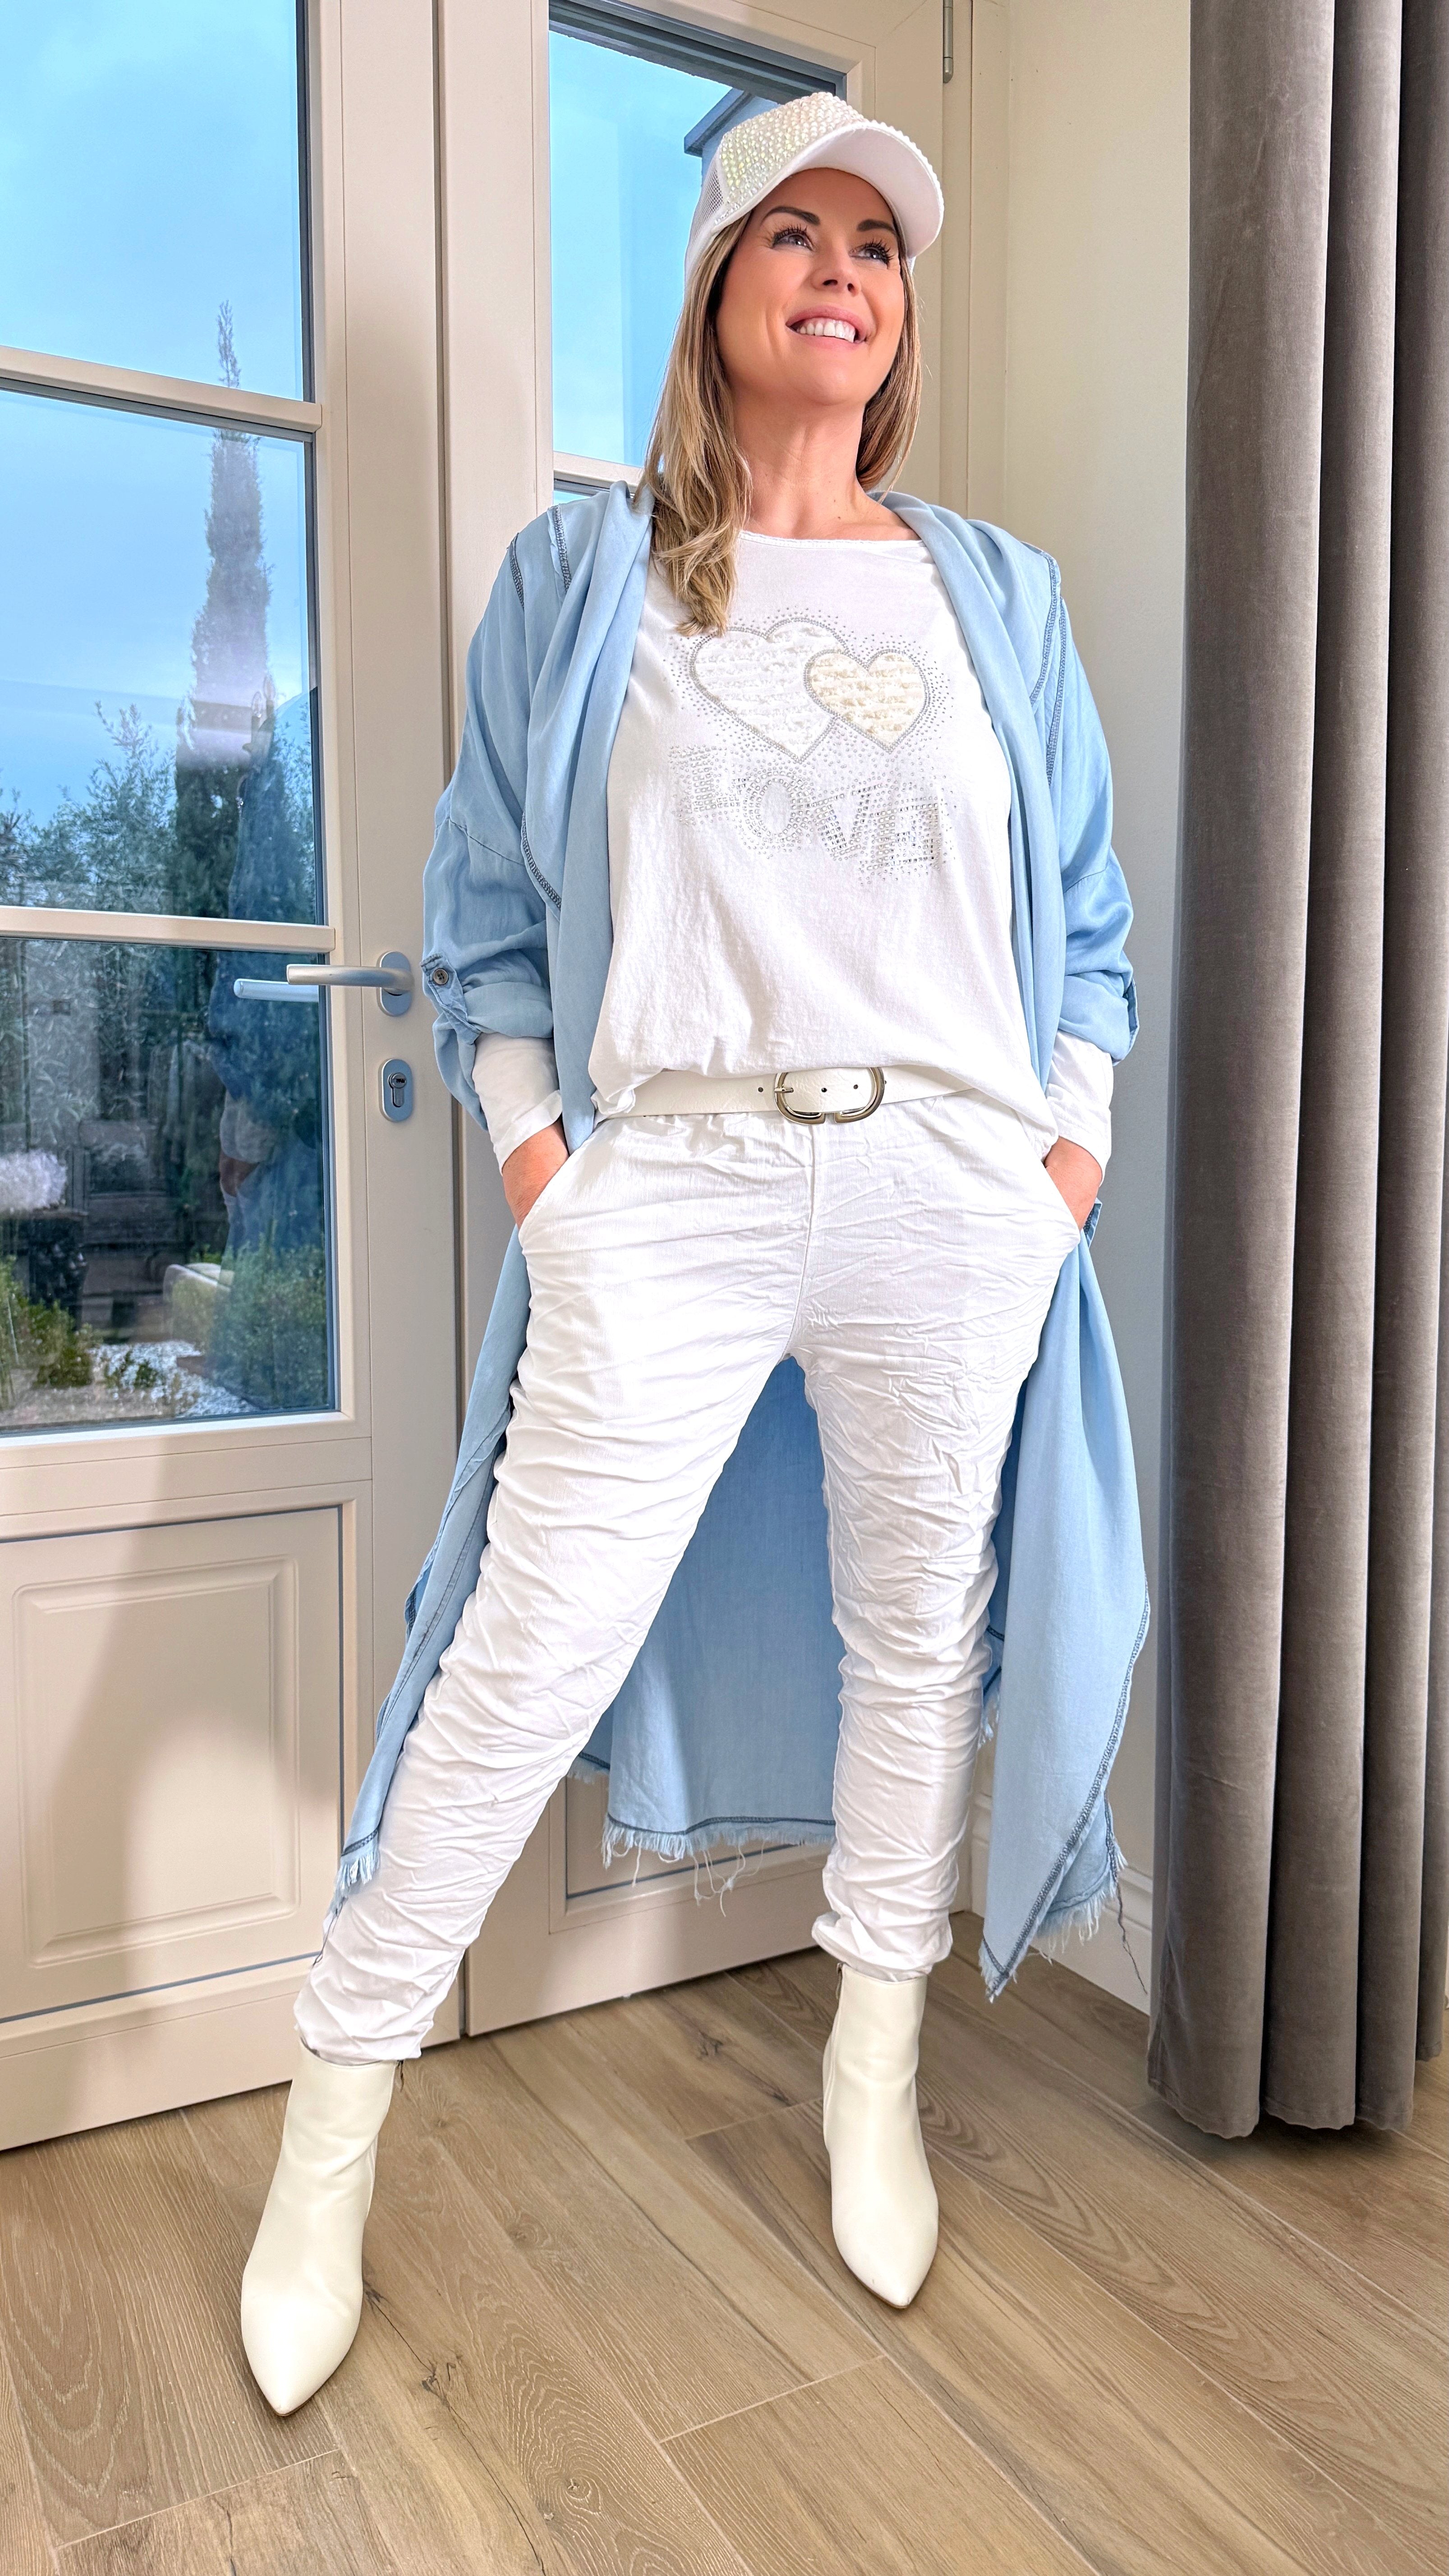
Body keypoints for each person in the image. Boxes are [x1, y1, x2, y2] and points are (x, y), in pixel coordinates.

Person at [240, 92, 1144, 2416]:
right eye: (795, 233)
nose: (843, 271)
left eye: (880, 245)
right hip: (679, 1189)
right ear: (721, 287)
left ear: (901, 313)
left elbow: (1088, 930)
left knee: (913, 1646)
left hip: (951, 1194)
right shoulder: (584, 581)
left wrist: (1059, 1168)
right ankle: (330, 2129)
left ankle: (871, 2070)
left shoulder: (998, 595)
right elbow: (485, 922)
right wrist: (552, 1176)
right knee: (521, 1659)